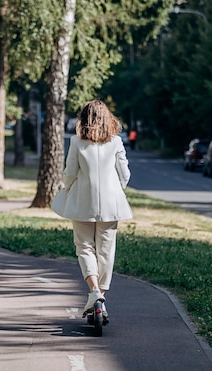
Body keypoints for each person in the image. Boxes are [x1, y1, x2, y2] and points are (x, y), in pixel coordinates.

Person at [51, 99, 133, 320]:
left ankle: (94, 292)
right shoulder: (116, 142)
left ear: (83, 119)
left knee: (85, 247)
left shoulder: (77, 142)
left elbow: (69, 173)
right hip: (111, 203)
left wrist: (68, 189)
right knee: (106, 251)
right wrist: (117, 189)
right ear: (108, 119)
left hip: (82, 202)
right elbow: (124, 173)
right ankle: (100, 299)